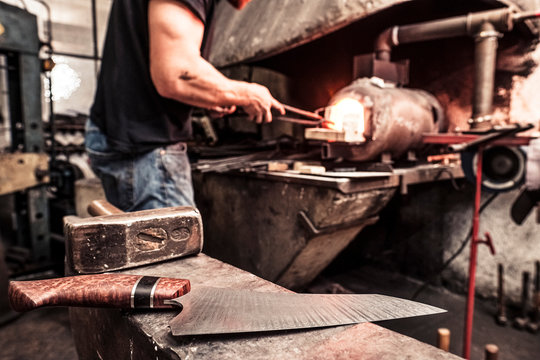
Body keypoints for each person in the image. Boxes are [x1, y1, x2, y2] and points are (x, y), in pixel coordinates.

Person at [85, 0, 284, 212]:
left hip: (125, 135)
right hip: (146, 150)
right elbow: (177, 74)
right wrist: (246, 93)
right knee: (175, 244)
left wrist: (214, 96)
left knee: (143, 243)